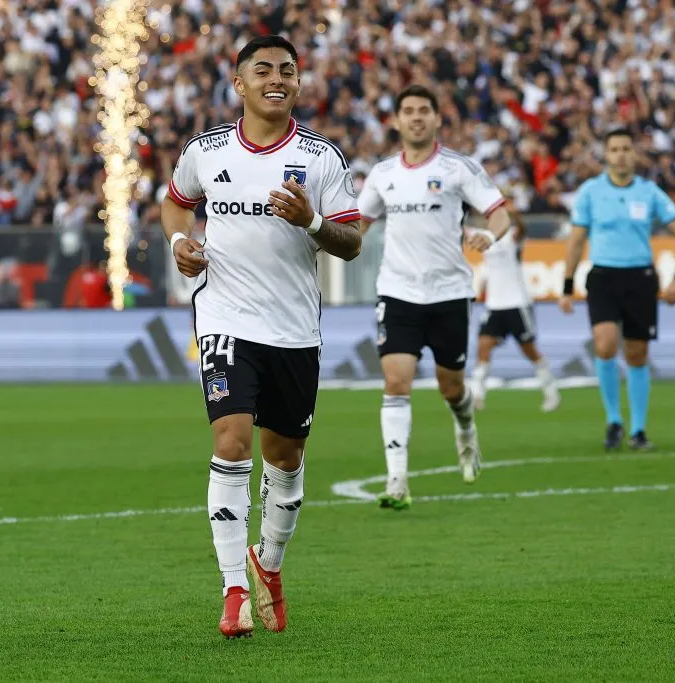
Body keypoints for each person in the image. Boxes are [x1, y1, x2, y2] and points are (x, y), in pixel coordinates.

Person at [160, 35, 361, 639]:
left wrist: (313, 221)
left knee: (286, 456)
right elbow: (175, 205)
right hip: (225, 317)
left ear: (298, 84)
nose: (278, 78)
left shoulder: (322, 158)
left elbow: (351, 244)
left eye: (289, 71)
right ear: (239, 81)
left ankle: (267, 565)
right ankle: (233, 589)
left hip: (294, 328)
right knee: (232, 439)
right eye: (264, 69)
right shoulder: (206, 151)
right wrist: (179, 245)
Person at [356, 84, 512, 510]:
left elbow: (499, 213)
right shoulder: (382, 175)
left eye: (424, 110)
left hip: (449, 293)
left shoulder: (460, 168)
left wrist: (488, 233)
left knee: (451, 388)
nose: (416, 117)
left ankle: (465, 429)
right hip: (398, 291)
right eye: (408, 110)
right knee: (396, 381)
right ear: (396, 120)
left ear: (437, 118)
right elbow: (357, 226)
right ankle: (397, 481)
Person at [559, 128, 675, 451]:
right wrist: (566, 287)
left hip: (640, 279)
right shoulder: (591, 192)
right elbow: (576, 241)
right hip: (604, 277)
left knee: (637, 354)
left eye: (626, 149)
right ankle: (613, 420)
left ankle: (638, 430)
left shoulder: (650, 193)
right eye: (615, 149)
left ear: (634, 154)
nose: (621, 155)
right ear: (606, 155)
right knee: (605, 345)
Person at [470, 197, 559, 412]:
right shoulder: (483, 238)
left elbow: (522, 227)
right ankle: (477, 395)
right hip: (494, 304)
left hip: (517, 303)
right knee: (483, 346)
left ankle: (551, 391)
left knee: (528, 349)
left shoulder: (512, 236)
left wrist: (512, 212)